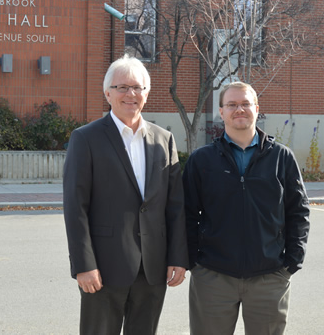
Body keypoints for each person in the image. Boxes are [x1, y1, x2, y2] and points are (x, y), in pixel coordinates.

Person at [63, 55, 189, 335]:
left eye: (137, 87)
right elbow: (75, 207)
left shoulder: (163, 139)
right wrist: (83, 265)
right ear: (107, 93)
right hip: (104, 269)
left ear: (146, 93)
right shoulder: (86, 138)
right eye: (122, 87)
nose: (130, 94)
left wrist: (178, 257)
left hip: (153, 268)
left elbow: (175, 206)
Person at [182, 81, 310, 335]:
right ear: (221, 112)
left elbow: (298, 212)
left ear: (257, 109)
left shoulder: (281, 157)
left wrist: (291, 263)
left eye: (245, 104)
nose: (239, 109)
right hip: (213, 277)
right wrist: (193, 262)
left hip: (270, 276)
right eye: (231, 104)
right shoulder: (202, 159)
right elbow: (186, 213)